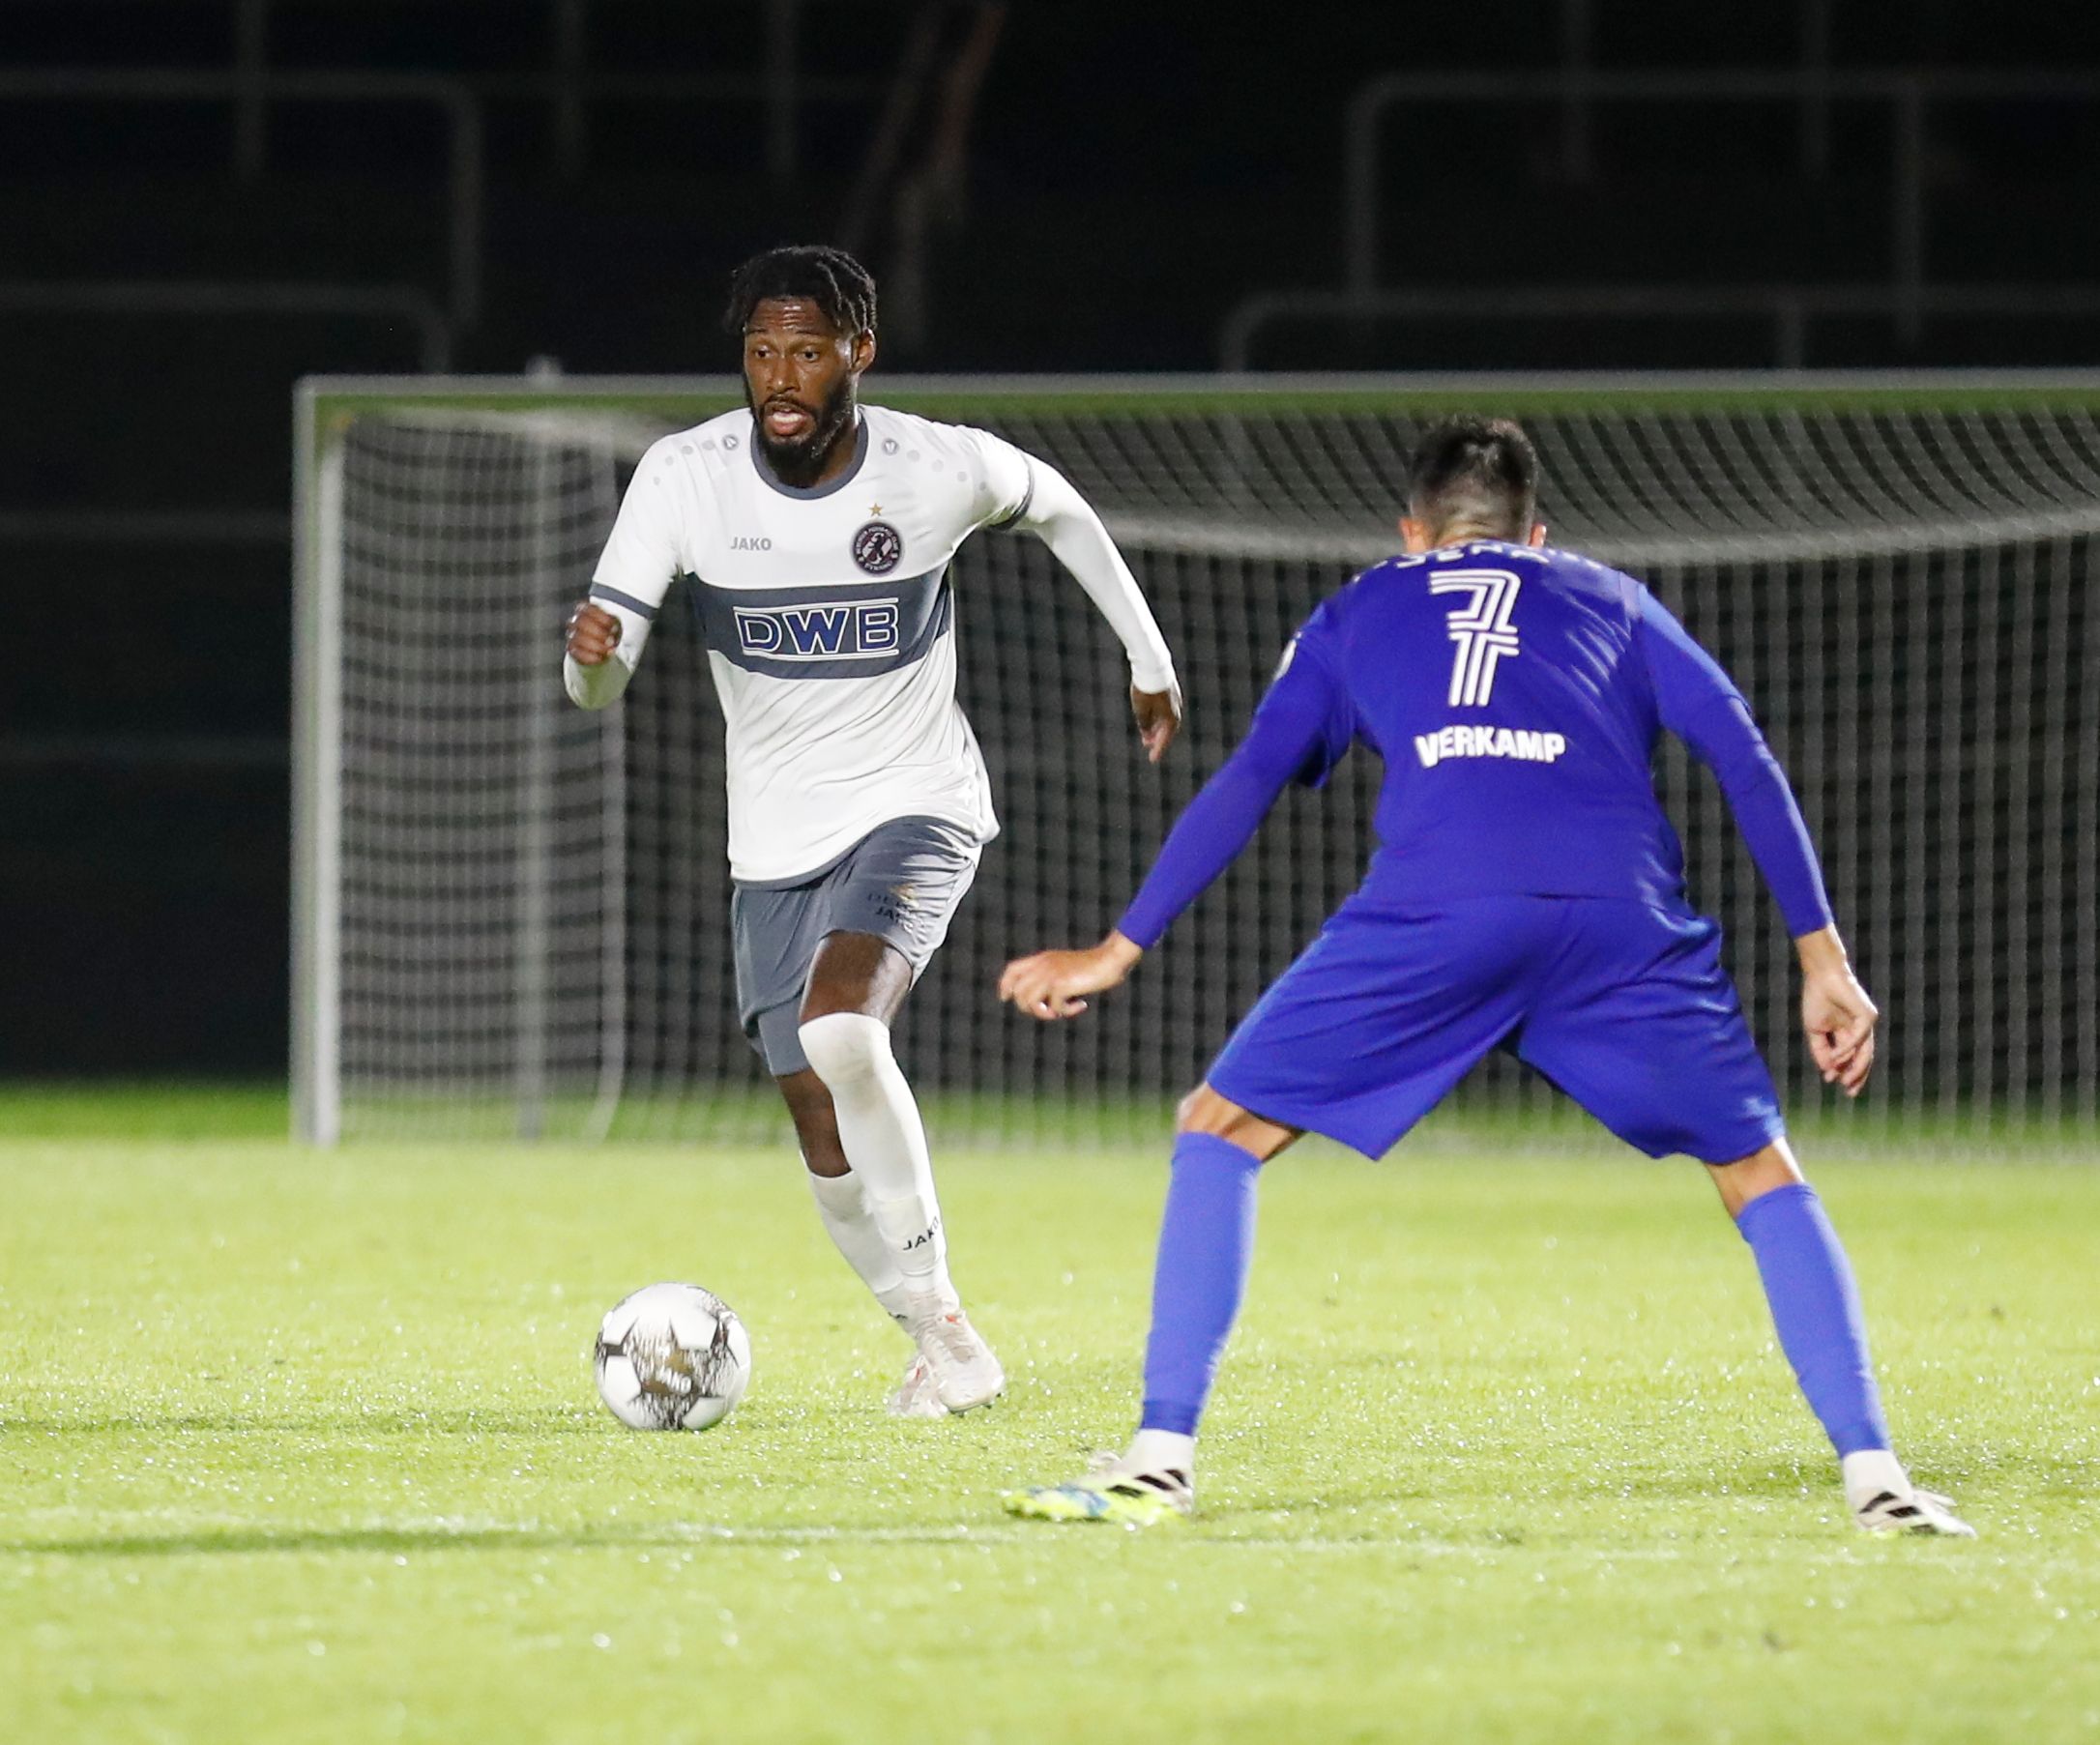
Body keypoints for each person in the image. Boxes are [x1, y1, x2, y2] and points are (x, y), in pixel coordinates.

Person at [997, 415, 1972, 1534]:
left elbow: (1255, 772)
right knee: (1759, 1171)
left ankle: (1159, 1459)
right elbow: (1741, 750)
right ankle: (1876, 1475)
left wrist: (1121, 943)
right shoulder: (1610, 597)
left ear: (1413, 532)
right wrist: (1822, 956)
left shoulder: (1363, 604)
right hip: (1616, 921)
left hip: (1440, 912)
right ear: (1536, 532)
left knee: (1219, 1129)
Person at [565, 245, 1181, 1416]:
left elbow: (1058, 505)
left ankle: (950, 1337)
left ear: (860, 351)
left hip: (918, 800)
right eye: (760, 352)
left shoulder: (931, 464)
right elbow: (600, 677)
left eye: (806, 350)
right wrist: (586, 659)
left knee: (844, 1029)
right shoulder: (683, 479)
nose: (780, 378)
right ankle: (936, 1333)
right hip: (773, 840)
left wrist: (1149, 663)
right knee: (812, 1104)